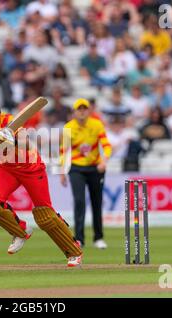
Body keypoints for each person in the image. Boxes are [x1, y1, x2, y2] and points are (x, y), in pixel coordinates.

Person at [0, 91, 83, 267]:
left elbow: (27, 143)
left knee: (45, 215)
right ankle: (21, 230)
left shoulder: (9, 120)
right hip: (7, 169)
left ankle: (74, 251)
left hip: (31, 167)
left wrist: (12, 139)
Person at [60, 98, 112, 249]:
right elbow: (64, 151)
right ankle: (80, 239)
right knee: (79, 202)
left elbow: (106, 145)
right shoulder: (68, 127)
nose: (82, 111)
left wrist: (104, 161)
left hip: (95, 167)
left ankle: (98, 237)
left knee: (97, 202)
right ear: (75, 112)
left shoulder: (97, 124)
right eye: (79, 109)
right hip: (76, 168)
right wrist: (62, 171)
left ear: (89, 110)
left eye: (84, 109)